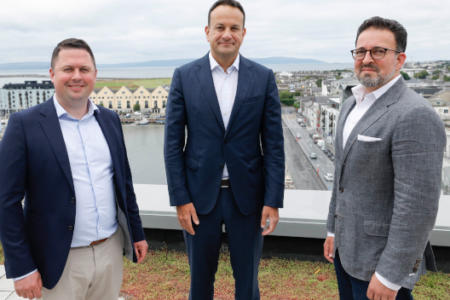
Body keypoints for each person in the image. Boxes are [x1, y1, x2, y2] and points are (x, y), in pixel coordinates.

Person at [0, 38, 148, 300]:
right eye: (68, 69)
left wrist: (137, 233)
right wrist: (22, 268)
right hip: (58, 259)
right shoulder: (24, 125)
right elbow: (6, 201)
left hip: (109, 251)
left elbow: (124, 183)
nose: (76, 76)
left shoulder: (110, 119)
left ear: (95, 74)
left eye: (84, 69)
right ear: (52, 74)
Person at [164, 0, 285, 298]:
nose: (226, 34)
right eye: (220, 27)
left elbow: (274, 145)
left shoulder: (263, 77)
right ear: (207, 32)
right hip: (198, 200)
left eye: (234, 28)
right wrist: (180, 198)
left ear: (244, 33)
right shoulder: (184, 76)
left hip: (248, 199)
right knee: (200, 283)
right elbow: (172, 144)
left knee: (248, 283)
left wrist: (273, 200)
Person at [323, 16, 446, 300]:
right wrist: (333, 230)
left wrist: (391, 274)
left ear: (399, 59)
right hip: (346, 250)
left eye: (378, 51)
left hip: (381, 264)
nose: (367, 58)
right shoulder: (351, 104)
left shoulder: (415, 114)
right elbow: (341, 179)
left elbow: (417, 207)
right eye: (360, 51)